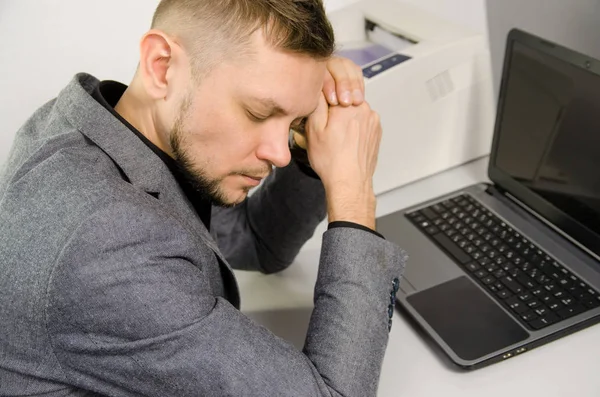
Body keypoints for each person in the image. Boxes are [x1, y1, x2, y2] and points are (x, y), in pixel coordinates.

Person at [0, 0, 407, 395]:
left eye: (293, 121)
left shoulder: (98, 128)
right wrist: (353, 194)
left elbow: (258, 243)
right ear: (162, 65)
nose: (279, 154)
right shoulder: (105, 243)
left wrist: (306, 137)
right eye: (258, 113)